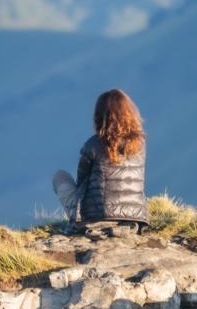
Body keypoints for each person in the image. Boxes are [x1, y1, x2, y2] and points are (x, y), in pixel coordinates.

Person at [53, 89, 149, 232]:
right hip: (133, 219)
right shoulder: (140, 146)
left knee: (60, 176)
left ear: (100, 117)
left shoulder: (93, 144)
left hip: (93, 218)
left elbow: (81, 182)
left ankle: (81, 222)